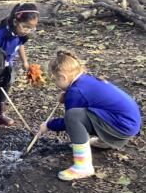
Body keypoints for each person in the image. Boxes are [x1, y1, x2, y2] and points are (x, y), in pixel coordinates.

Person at [39, 49, 141, 181]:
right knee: (83, 114)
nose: (55, 84)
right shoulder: (84, 80)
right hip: (129, 122)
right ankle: (105, 142)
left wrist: (48, 125)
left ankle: (83, 166)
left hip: (121, 126)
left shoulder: (76, 92)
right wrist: (67, 94)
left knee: (73, 116)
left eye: (54, 80)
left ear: (63, 77)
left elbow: (69, 121)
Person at [0, 3, 39, 127]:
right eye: (25, 27)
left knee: (7, 84)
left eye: (31, 28)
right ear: (15, 21)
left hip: (8, 64)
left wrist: (25, 61)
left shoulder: (22, 35)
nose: (27, 31)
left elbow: (20, 46)